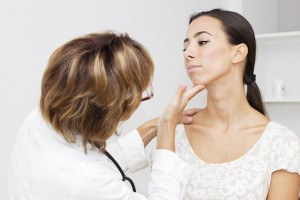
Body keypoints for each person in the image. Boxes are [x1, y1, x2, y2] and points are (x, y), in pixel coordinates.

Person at [8, 31, 205, 200]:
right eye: (139, 94)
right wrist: (167, 135)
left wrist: (156, 126)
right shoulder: (85, 179)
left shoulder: (40, 118)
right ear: (109, 111)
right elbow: (90, 177)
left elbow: (93, 163)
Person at [172, 8, 300, 199]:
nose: (188, 53)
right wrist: (163, 124)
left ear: (238, 53)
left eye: (203, 42)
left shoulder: (281, 144)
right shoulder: (175, 133)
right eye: (185, 46)